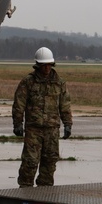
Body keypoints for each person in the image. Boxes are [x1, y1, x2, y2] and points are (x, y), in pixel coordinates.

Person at [12, 47, 73, 187]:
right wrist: (17, 123)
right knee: (30, 161)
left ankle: (45, 191)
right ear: (38, 65)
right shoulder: (28, 82)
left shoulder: (59, 83)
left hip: (52, 129)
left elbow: (65, 105)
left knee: (50, 161)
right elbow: (19, 103)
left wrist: (68, 124)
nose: (47, 68)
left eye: (49, 65)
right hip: (34, 129)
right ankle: (25, 189)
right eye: (44, 65)